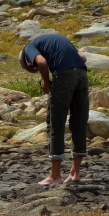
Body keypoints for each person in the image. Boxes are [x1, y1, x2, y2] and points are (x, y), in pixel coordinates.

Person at [19, 33, 89, 185]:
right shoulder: (58, 40)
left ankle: (55, 176)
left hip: (64, 76)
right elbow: (82, 58)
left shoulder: (29, 47)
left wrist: (46, 82)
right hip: (82, 74)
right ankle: (74, 173)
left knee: (55, 123)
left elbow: (42, 62)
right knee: (79, 121)